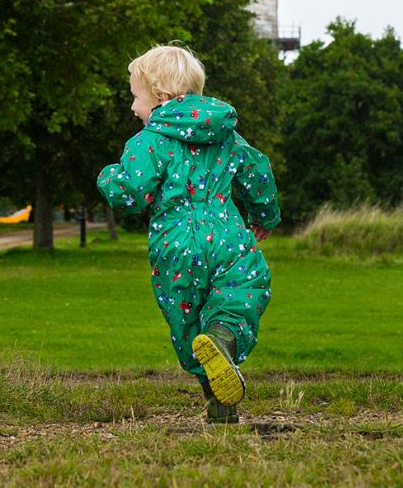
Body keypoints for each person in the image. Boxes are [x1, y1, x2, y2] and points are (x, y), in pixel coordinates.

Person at [96, 44, 281, 424]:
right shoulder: (227, 136)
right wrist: (264, 216)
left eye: (136, 97)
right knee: (240, 297)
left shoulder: (150, 141)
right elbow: (257, 172)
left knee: (189, 322)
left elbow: (131, 193)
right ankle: (223, 347)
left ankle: (219, 400)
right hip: (229, 235)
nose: (133, 108)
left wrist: (108, 177)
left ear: (159, 96)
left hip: (176, 243)